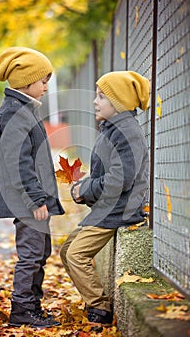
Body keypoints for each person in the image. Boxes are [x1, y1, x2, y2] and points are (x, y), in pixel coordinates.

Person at [60, 71, 150, 324]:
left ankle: (99, 309)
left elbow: (120, 180)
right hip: (107, 208)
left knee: (76, 255)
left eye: (101, 97)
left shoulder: (126, 132)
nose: (95, 102)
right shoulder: (113, 128)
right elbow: (107, 173)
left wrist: (86, 189)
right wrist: (83, 187)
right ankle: (94, 300)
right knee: (68, 250)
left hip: (118, 210)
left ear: (119, 103)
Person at [0, 47, 65, 328]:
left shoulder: (24, 109)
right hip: (27, 202)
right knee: (31, 255)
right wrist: (35, 199)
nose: (46, 86)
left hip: (33, 199)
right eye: (43, 81)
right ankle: (22, 310)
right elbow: (16, 163)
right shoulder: (14, 113)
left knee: (40, 252)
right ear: (26, 81)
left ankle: (33, 306)